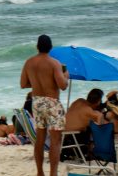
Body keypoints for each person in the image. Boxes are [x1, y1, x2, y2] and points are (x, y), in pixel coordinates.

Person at [20, 34, 69, 176]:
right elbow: (62, 86)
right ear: (50, 47)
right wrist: (66, 75)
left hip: (37, 102)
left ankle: (40, 172)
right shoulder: (54, 63)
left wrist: (37, 82)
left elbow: (23, 84)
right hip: (52, 102)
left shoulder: (29, 62)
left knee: (39, 139)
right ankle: (53, 173)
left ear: (37, 47)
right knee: (55, 140)